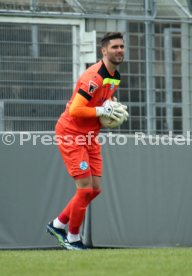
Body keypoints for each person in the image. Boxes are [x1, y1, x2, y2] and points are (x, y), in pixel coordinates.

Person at [46, 32, 128, 250]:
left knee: (95, 189)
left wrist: (112, 106)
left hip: (91, 135)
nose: (119, 50)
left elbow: (103, 101)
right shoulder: (93, 77)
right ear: (104, 51)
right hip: (71, 134)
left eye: (121, 46)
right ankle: (73, 238)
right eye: (114, 47)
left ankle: (58, 224)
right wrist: (103, 109)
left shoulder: (115, 76)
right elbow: (76, 109)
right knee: (84, 189)